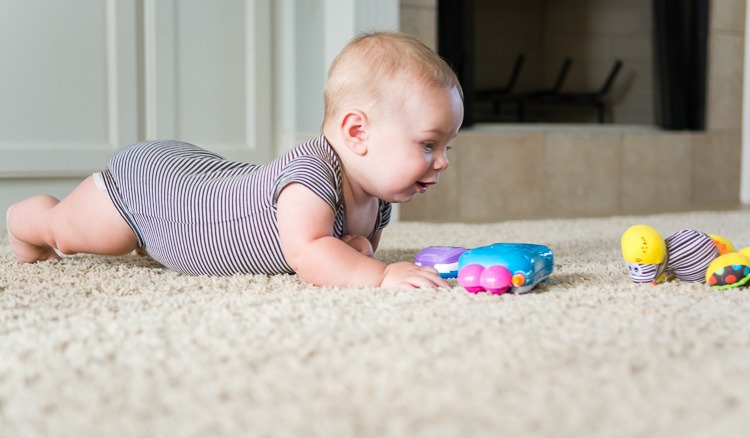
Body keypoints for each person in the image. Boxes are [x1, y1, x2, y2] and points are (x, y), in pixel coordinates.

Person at [5, 31, 464, 288]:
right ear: (357, 133)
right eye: (428, 145)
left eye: (447, 147)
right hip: (159, 192)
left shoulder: (379, 195)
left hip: (195, 177)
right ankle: (29, 221)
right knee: (76, 233)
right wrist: (380, 277)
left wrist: (359, 250)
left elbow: (343, 248)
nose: (442, 161)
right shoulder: (310, 177)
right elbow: (308, 252)